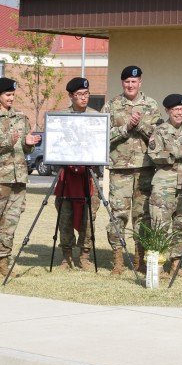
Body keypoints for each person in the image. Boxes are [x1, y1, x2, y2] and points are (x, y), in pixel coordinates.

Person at [0, 77, 41, 279]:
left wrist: (29, 143)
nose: (11, 98)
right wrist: (7, 142)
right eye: (7, 95)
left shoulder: (21, 117)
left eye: (13, 95)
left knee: (10, 222)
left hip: (18, 177)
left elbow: (24, 146)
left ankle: (3, 261)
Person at [101, 66, 161, 274]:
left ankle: (140, 259)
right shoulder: (112, 105)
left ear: (140, 82)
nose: (130, 85)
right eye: (127, 81)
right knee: (118, 215)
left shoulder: (151, 105)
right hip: (120, 169)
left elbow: (158, 138)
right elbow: (102, 135)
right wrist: (125, 128)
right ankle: (118, 259)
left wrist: (140, 126)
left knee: (143, 216)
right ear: (122, 83)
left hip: (145, 168)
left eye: (134, 81)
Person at [53, 77, 100, 271]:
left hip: (88, 176)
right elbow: (55, 143)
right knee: (65, 215)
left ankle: (85, 255)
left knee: (89, 217)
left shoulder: (96, 117)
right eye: (80, 94)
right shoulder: (61, 117)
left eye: (86, 94)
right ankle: (66, 256)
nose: (84, 98)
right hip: (67, 175)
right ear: (71, 96)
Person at [148, 94, 182, 276]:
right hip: (164, 186)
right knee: (160, 225)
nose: (179, 113)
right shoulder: (159, 131)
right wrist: (180, 151)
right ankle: (158, 265)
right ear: (167, 111)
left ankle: (177, 263)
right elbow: (155, 155)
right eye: (175, 109)